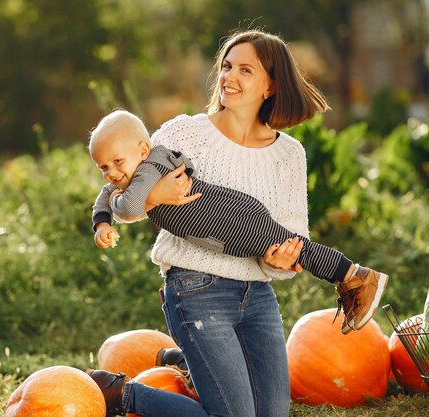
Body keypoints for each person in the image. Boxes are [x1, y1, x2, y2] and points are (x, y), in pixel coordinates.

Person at [86, 29, 388, 417]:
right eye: (227, 66)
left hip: (257, 296)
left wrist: (282, 263)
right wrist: (128, 208)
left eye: (245, 69)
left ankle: (191, 367)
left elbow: (294, 240)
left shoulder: (289, 155)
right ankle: (124, 394)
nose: (230, 76)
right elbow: (128, 186)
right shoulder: (184, 133)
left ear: (271, 84)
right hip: (196, 288)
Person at [88, 109, 388, 336]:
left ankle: (355, 276)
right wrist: (102, 223)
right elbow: (107, 196)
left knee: (298, 249)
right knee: (294, 248)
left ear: (141, 150)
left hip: (232, 219)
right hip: (224, 226)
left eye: (117, 162)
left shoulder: (152, 165)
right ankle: (351, 275)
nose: (112, 173)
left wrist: (116, 205)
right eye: (103, 167)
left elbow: (126, 207)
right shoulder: (132, 173)